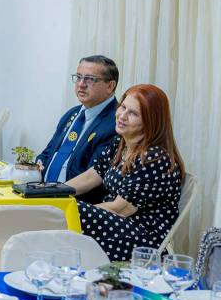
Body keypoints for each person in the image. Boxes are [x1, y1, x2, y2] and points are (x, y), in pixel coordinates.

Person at [65, 85, 185, 262]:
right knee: (59, 205)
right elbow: (92, 176)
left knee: (73, 210)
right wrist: (52, 191)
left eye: (133, 113)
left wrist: (67, 209)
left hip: (142, 238)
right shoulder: (120, 143)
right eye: (123, 107)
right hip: (118, 225)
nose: (122, 116)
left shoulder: (155, 158)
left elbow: (121, 209)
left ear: (150, 121)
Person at [36, 55, 119, 202]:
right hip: (43, 194)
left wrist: (52, 193)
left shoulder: (116, 123)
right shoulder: (72, 114)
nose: (81, 84)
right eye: (79, 77)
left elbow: (92, 176)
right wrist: (39, 163)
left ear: (110, 86)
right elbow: (48, 152)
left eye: (90, 79)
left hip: (75, 202)